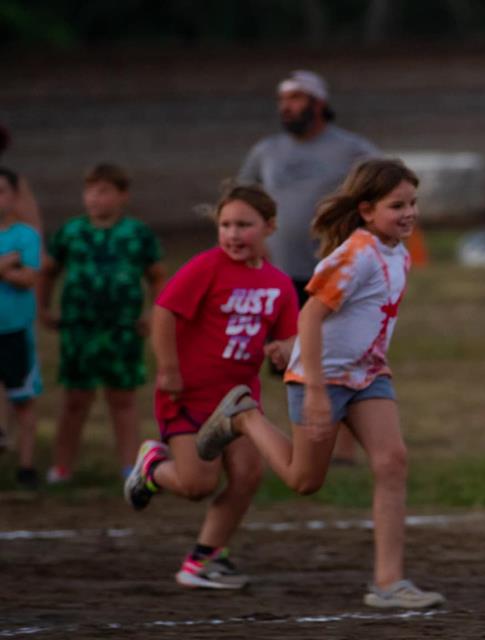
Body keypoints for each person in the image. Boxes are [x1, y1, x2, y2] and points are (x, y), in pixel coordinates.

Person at [195, 159, 445, 609]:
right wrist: (312, 388)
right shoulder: (358, 253)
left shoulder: (399, 253)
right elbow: (311, 313)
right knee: (303, 479)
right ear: (367, 211)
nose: (409, 213)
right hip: (322, 379)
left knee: (393, 462)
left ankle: (388, 584)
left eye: (413, 203)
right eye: (397, 205)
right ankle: (245, 417)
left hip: (368, 374)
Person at [123, 183, 298, 589]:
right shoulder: (207, 267)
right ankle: (151, 468)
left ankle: (204, 559)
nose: (233, 234)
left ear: (269, 227)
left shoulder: (279, 284)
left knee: (248, 474)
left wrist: (283, 350)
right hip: (188, 394)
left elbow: (290, 337)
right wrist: (168, 369)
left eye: (244, 225)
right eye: (225, 225)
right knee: (197, 485)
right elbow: (165, 312)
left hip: (237, 402)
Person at [238, 70, 382, 466]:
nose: (287, 107)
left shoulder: (352, 150)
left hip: (335, 272)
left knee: (342, 354)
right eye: (283, 100)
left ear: (319, 104)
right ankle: (306, 439)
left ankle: (344, 450)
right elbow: (243, 198)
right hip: (280, 272)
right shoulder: (266, 151)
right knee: (288, 360)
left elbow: (384, 190)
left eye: (297, 98)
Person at [39, 163, 165, 483]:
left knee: (122, 399)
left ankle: (130, 467)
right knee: (75, 400)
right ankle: (62, 467)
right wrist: (43, 308)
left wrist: (153, 314)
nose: (95, 198)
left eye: (104, 191)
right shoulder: (71, 232)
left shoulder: (137, 234)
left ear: (122, 195)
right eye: (90, 191)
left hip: (122, 329)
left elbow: (157, 278)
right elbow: (48, 272)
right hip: (79, 328)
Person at [0, 167, 42, 489]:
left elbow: (29, 277)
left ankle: (27, 466)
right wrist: (5, 266)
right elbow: (16, 273)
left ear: (15, 196)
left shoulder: (26, 235)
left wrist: (14, 271)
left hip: (16, 331)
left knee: (23, 398)